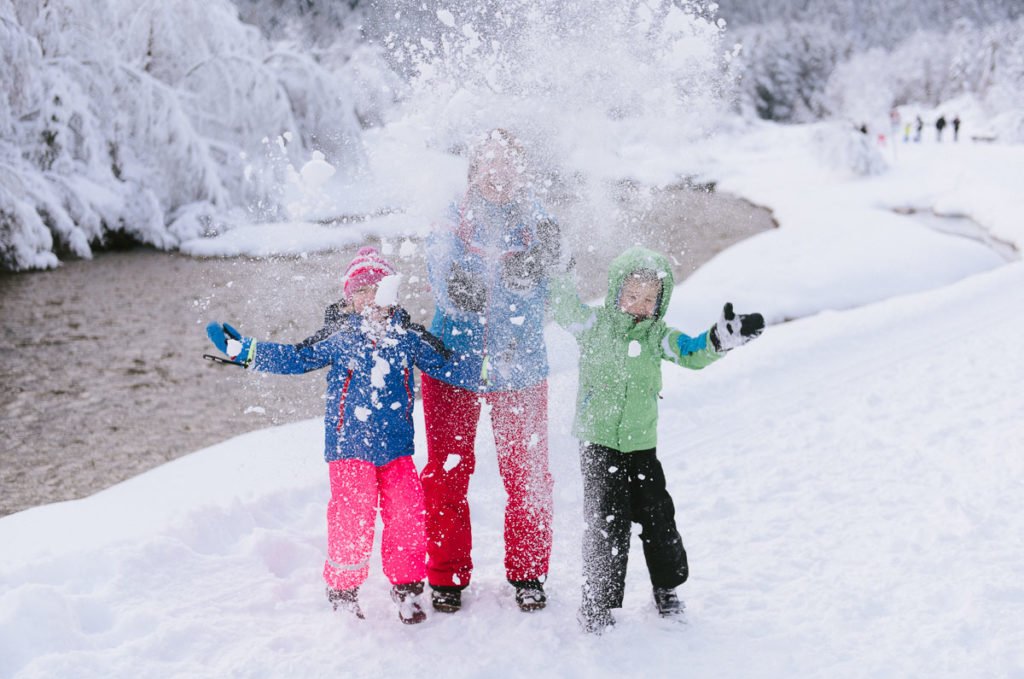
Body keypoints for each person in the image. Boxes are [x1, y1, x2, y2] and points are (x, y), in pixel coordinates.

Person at [205, 246, 450, 625]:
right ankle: (344, 592)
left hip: (397, 449)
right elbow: (294, 357)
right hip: (349, 448)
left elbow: (446, 361)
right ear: (349, 299)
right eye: (360, 291)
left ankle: (407, 590)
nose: (369, 298)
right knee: (352, 517)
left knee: (407, 516)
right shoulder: (338, 336)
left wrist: (490, 366)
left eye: (377, 289)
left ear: (392, 293)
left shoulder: (407, 335)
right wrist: (246, 351)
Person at [549, 246, 764, 634]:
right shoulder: (593, 326)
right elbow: (564, 308)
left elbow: (691, 353)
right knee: (605, 522)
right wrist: (559, 270)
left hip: (641, 443)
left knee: (658, 518)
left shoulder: (657, 337)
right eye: (632, 296)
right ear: (616, 292)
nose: (639, 305)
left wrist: (720, 339)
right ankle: (598, 599)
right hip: (598, 444)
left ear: (660, 303)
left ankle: (667, 587)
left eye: (649, 299)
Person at [420, 128, 565, 613]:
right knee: (445, 473)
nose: (498, 171)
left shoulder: (536, 217)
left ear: (520, 170)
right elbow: (435, 260)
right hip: (451, 363)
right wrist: (453, 286)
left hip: (519, 364)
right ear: (475, 169)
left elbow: (558, 266)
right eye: (489, 162)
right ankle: (445, 575)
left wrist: (541, 267)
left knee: (528, 476)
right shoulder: (452, 216)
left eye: (508, 162)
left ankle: (528, 573)